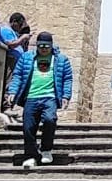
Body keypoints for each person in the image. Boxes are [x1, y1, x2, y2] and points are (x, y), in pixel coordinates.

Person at [6, 31, 73, 169]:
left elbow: (67, 78)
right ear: (36, 45)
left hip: (50, 97)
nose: (43, 49)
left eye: (46, 46)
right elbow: (18, 75)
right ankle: (30, 156)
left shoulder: (61, 60)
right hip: (31, 97)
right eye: (41, 46)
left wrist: (66, 95)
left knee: (50, 120)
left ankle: (46, 149)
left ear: (51, 46)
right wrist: (12, 91)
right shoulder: (26, 58)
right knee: (28, 127)